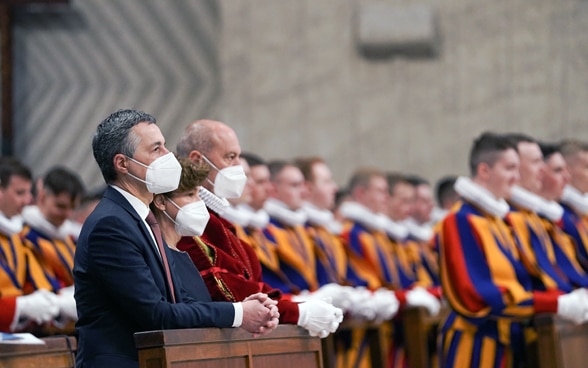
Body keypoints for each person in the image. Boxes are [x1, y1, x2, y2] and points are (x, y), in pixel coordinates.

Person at [74, 109, 278, 367]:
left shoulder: (141, 218)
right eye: (156, 149)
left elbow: (180, 299)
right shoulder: (111, 225)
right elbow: (156, 313)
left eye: (165, 145)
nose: (169, 155)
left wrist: (240, 306)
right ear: (123, 164)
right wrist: (238, 314)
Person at [175, 119, 343, 339]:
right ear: (197, 160)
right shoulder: (188, 218)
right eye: (230, 157)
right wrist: (297, 311)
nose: (239, 170)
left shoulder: (218, 219)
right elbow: (222, 287)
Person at [437, 132, 588, 368]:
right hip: (476, 345)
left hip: (508, 340)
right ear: (485, 171)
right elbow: (481, 295)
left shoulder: (498, 220)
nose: (516, 177)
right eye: (509, 169)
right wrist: (556, 303)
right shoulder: (460, 220)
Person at [0, 158, 60, 332]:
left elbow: (28, 284)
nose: (27, 200)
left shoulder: (18, 237)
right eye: (20, 193)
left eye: (28, 192)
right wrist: (21, 307)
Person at [22, 166, 85, 289]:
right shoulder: (25, 237)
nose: (68, 214)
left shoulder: (71, 238)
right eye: (61, 206)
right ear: (42, 196)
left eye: (72, 208)